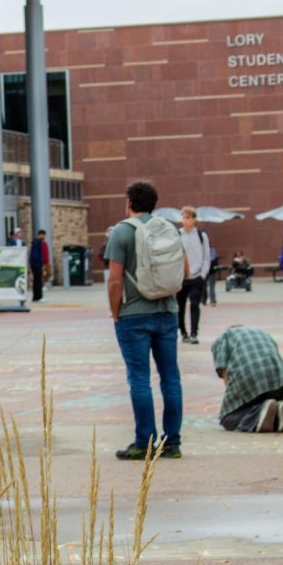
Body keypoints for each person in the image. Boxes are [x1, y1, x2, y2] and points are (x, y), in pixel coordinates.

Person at [104, 180, 186, 460]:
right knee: (170, 377)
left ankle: (144, 442)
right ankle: (172, 442)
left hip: (134, 315)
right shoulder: (168, 229)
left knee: (139, 379)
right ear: (154, 204)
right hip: (168, 311)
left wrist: (115, 313)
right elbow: (183, 270)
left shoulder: (121, 232)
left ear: (129, 202)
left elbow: (115, 280)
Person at [211, 325, 283, 433]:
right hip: (279, 375)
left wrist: (234, 400)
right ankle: (279, 412)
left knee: (227, 418)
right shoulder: (263, 333)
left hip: (250, 373)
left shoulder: (225, 337)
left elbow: (223, 369)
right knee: (271, 401)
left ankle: (259, 412)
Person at [176, 206, 211, 343]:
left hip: (196, 277)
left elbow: (206, 257)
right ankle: (183, 332)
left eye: (188, 217)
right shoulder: (177, 235)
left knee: (195, 306)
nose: (185, 220)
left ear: (194, 219)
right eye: (183, 217)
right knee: (180, 307)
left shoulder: (202, 236)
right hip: (181, 278)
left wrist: (203, 274)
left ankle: (194, 333)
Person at [29, 229, 50, 302]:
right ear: (39, 235)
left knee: (37, 281)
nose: (43, 236)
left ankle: (37, 297)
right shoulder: (37, 243)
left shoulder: (39, 243)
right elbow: (35, 255)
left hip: (36, 264)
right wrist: (38, 263)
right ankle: (38, 297)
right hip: (36, 265)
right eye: (41, 235)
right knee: (38, 281)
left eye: (43, 235)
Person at [206, 241, 220, 306]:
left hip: (205, 271)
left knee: (203, 286)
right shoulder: (213, 251)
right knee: (212, 287)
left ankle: (204, 299)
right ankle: (213, 300)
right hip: (212, 271)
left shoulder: (202, 250)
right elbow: (216, 260)